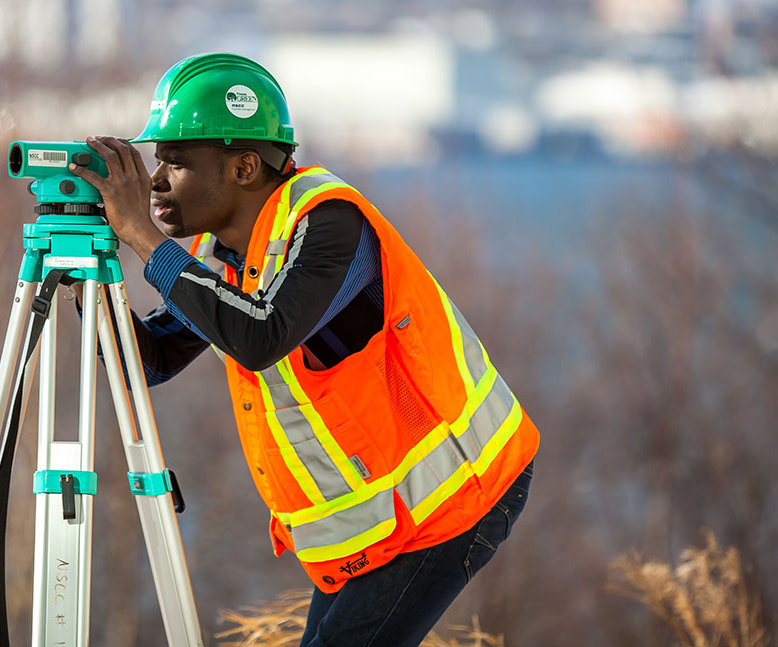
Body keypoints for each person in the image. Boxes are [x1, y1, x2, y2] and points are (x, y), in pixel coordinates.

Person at [68, 53, 539, 647]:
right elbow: (152, 360)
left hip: (460, 496)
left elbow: (261, 336)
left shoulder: (330, 224)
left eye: (176, 162)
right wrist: (94, 280)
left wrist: (142, 235)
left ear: (243, 167)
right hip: (383, 521)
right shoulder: (238, 256)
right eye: (157, 162)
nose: (156, 180)